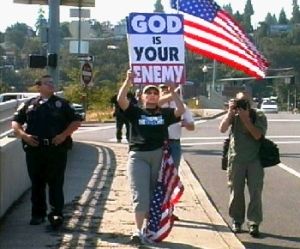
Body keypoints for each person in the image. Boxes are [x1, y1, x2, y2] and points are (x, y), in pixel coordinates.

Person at [117, 69, 185, 244]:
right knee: (140, 195)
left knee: (156, 193)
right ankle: (138, 231)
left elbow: (180, 110)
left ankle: (151, 228)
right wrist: (128, 81)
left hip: (159, 157)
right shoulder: (136, 112)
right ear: (142, 97)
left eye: (155, 93)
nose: (153, 95)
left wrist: (172, 92)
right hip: (138, 156)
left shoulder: (165, 114)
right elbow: (121, 100)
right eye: (149, 93)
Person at [11, 75, 82, 229]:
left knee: (56, 182)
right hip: (34, 149)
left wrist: (63, 135)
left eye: (52, 82)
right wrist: (24, 136)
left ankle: (56, 214)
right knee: (37, 183)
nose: (51, 85)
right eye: (47, 83)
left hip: (56, 149)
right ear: (39, 87)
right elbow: (15, 122)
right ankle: (38, 214)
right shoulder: (29, 104)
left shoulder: (62, 104)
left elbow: (76, 121)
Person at [218, 91, 267, 238]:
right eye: (239, 102)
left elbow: (258, 135)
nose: (242, 105)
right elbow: (222, 129)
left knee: (255, 192)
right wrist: (229, 113)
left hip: (255, 159)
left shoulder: (258, 115)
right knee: (236, 192)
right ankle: (237, 220)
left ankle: (254, 222)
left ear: (251, 102)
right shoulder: (234, 115)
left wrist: (246, 119)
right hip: (236, 158)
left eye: (245, 102)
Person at [158, 84, 195, 168]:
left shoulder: (181, 106)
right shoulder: (156, 104)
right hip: (158, 143)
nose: (165, 90)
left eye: (167, 88)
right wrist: (173, 93)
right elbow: (158, 102)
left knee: (173, 172)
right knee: (157, 172)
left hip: (174, 144)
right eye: (162, 88)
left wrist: (186, 124)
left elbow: (192, 127)